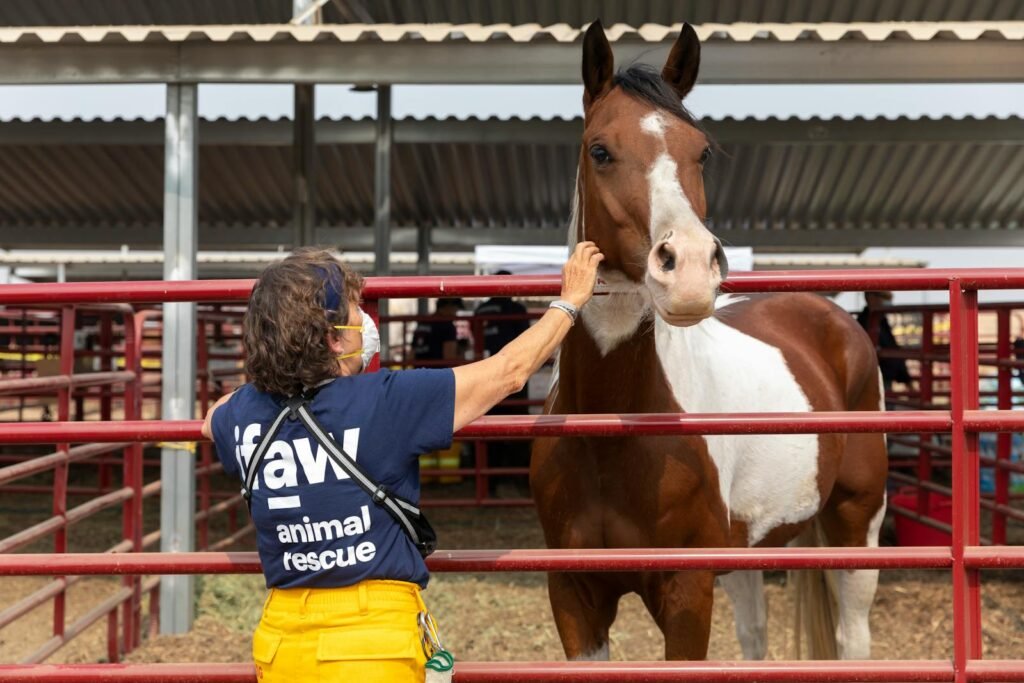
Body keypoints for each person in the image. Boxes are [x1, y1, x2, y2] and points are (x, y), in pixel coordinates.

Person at [200, 243, 603, 681]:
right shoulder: (387, 401)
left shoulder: (240, 415)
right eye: (355, 311)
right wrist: (569, 301)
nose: (364, 321)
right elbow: (508, 371)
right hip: (372, 645)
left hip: (281, 644)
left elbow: (212, 418)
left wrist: (264, 385)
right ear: (333, 339)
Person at [474, 272, 532, 496]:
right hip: (515, 370)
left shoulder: (481, 309)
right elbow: (527, 337)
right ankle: (519, 479)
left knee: (489, 427)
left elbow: (475, 336)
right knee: (518, 426)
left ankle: (489, 483)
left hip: (487, 372)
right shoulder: (516, 309)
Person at [857, 290, 913, 393]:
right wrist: (905, 377)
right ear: (870, 297)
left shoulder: (877, 320)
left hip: (881, 376)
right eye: (884, 297)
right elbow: (891, 348)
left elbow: (891, 348)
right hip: (877, 378)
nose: (887, 301)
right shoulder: (868, 322)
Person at [410, 297, 464, 365]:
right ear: (449, 306)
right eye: (456, 309)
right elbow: (450, 358)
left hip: (418, 371)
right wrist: (461, 353)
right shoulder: (447, 325)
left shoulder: (423, 322)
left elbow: (411, 355)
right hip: (438, 372)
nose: (456, 313)